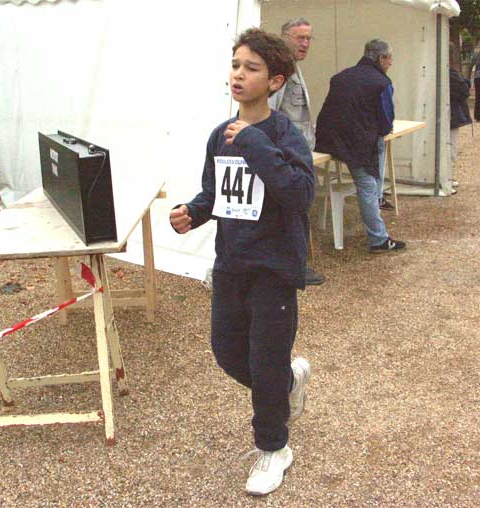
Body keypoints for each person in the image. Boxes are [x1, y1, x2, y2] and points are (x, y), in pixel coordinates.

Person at [169, 28, 314, 496]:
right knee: (229, 354)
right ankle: (288, 382)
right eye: (235, 65)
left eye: (251, 68)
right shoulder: (220, 135)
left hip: (274, 269)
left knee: (265, 360)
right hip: (231, 265)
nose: (238, 75)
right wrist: (194, 212)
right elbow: (217, 194)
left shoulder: (284, 135)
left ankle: (274, 448)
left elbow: (300, 193)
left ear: (275, 82)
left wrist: (254, 143)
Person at [315, 39, 406, 253]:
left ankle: (378, 198)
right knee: (368, 184)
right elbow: (386, 122)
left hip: (330, 141)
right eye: (390, 58)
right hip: (358, 145)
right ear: (381, 58)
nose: (391, 62)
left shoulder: (340, 77)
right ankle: (378, 239)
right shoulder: (382, 83)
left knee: (370, 177)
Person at [268, 17, 325, 286]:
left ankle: (293, 264)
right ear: (284, 37)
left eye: (308, 38)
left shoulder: (293, 68)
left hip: (297, 155)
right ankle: (294, 268)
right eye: (300, 37)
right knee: (292, 213)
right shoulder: (280, 70)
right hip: (286, 158)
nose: (305, 43)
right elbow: (269, 114)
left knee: (296, 212)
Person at [448, 44, 472, 195]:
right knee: (450, 148)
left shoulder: (449, 72)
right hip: (452, 115)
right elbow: (464, 89)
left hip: (451, 114)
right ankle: (447, 178)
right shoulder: (451, 73)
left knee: (450, 148)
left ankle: (448, 177)